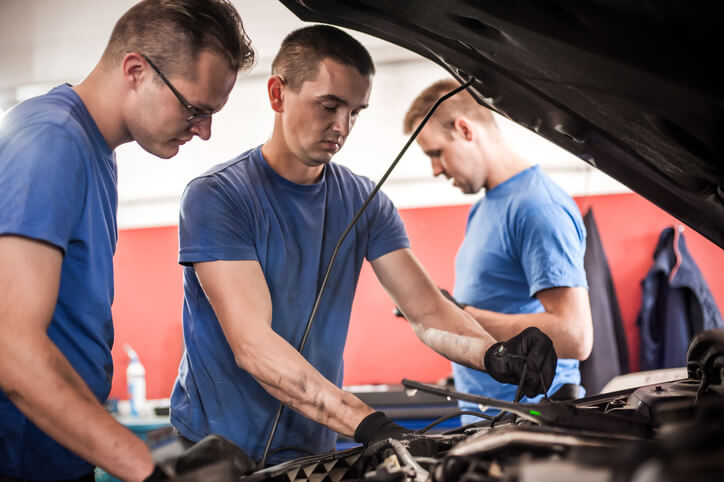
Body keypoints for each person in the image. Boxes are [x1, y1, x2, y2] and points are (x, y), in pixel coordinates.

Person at [170, 25, 558, 466]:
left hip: (312, 451)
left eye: (355, 112)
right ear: (277, 94)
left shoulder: (365, 202)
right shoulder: (218, 196)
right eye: (329, 105)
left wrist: (493, 353)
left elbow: (427, 309)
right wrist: (368, 423)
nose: (342, 127)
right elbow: (254, 345)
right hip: (217, 453)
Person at [0, 1, 254, 480]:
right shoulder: (51, 138)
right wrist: (149, 471)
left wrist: (164, 454)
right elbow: (11, 348)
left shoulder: (96, 151)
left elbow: (75, 342)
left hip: (57, 456)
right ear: (136, 70)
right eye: (196, 109)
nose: (204, 131)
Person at [403, 79, 594, 421]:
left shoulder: (538, 207)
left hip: (530, 420)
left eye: (435, 153)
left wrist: (458, 314)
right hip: (487, 421)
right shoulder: (485, 207)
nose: (435, 170)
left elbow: (576, 336)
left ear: (464, 130)